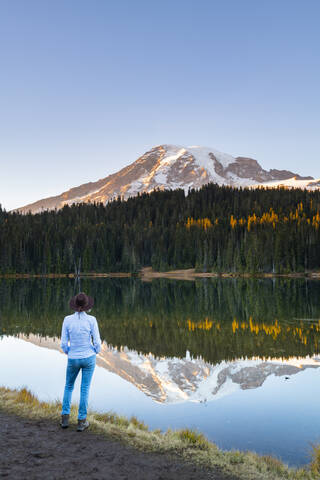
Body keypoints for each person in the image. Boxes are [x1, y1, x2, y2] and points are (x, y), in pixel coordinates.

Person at [60, 292, 101, 431]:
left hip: (73, 358)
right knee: (85, 389)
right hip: (89, 357)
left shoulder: (67, 320)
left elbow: (64, 343)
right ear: (86, 306)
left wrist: (69, 351)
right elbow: (97, 342)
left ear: (75, 305)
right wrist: (95, 351)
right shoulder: (92, 320)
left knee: (68, 386)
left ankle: (65, 418)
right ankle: (81, 421)